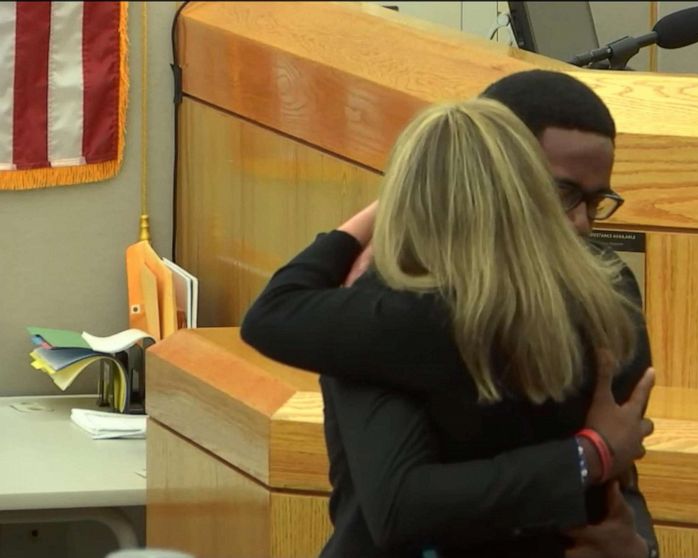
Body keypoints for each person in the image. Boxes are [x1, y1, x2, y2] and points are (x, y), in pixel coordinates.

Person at [243, 88, 657, 557]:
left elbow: (271, 315)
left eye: (593, 202)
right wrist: (593, 455)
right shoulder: (600, 296)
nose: (581, 224)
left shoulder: (394, 312)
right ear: (516, 181)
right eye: (561, 194)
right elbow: (614, 458)